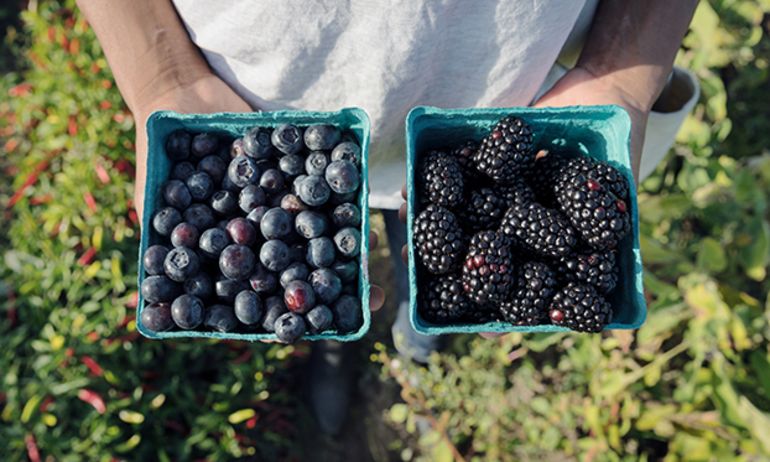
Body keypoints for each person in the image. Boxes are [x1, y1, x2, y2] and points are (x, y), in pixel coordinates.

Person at [77, 0, 699, 434]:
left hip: (493, 103)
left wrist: (622, 66)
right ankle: (335, 343)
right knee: (330, 268)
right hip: (254, 102)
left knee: (427, 252)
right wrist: (161, 74)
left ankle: (419, 328)